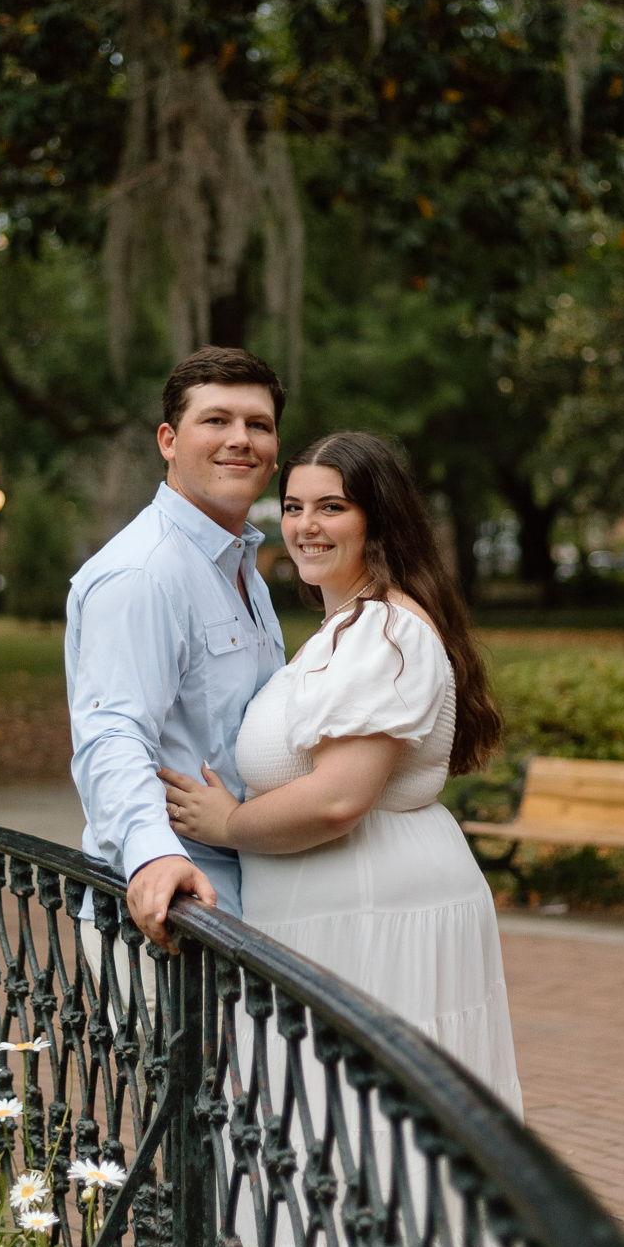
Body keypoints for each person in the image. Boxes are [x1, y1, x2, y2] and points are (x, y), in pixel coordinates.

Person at [157, 430, 522, 1113]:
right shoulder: (353, 627)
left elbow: (338, 799)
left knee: (368, 1119)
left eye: (332, 507)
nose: (306, 526)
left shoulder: (383, 633)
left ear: (378, 520)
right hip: (347, 907)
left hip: (374, 909)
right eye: (293, 507)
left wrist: (230, 824)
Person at [64, 347, 288, 948]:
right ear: (168, 440)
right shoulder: (144, 572)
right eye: (216, 420)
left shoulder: (241, 568)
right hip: (174, 912)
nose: (240, 439)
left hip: (246, 907)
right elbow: (111, 732)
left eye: (258, 425)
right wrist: (152, 855)